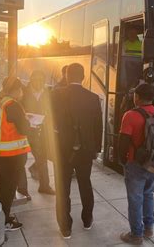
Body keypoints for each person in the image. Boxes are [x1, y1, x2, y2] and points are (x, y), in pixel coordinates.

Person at [52, 63, 103, 239]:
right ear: (83, 77)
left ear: (66, 76)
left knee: (63, 188)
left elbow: (48, 123)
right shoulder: (93, 98)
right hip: (86, 150)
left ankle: (65, 227)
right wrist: (97, 148)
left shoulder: (55, 95)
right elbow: (98, 127)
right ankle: (87, 220)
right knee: (85, 184)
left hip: (62, 150)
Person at [118, 84, 154, 245]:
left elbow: (123, 142)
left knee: (135, 199)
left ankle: (136, 235)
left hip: (136, 163)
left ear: (137, 97)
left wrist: (123, 160)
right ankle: (148, 228)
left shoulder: (130, 115)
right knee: (148, 194)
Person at [0, 76, 32, 231]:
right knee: (8, 189)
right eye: (20, 89)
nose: (21, 93)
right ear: (16, 90)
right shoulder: (12, 105)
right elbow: (23, 129)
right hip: (11, 156)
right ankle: (4, 221)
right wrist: (31, 124)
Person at [19, 70, 55, 195]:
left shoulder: (48, 92)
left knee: (42, 158)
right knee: (21, 160)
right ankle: (22, 190)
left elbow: (52, 109)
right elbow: (18, 108)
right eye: (35, 79)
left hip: (41, 130)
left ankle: (44, 186)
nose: (38, 82)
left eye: (41, 80)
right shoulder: (23, 92)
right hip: (25, 130)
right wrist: (25, 116)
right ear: (31, 79)